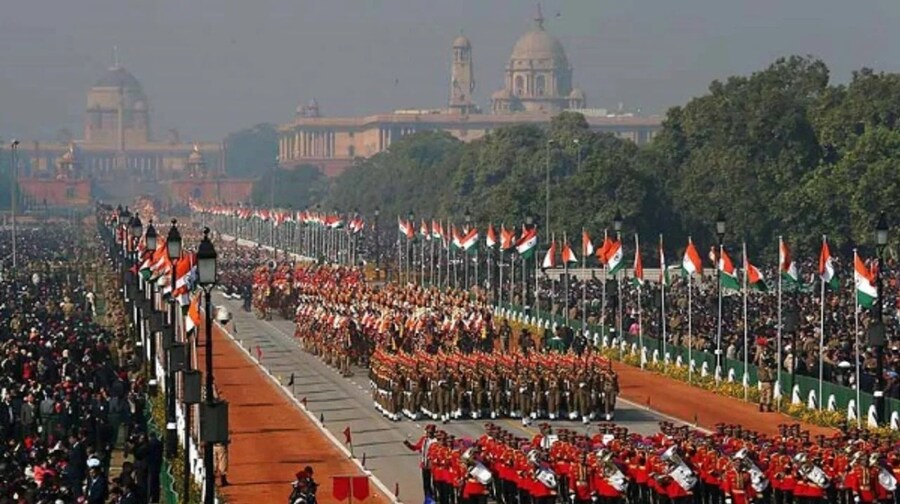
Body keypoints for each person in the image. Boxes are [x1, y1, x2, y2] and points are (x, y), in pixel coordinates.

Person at [757, 343, 776, 412]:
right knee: (769, 393)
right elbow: (768, 361)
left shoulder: (761, 358)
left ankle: (761, 403)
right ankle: (768, 406)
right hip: (767, 378)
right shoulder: (766, 358)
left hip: (762, 378)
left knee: (763, 392)